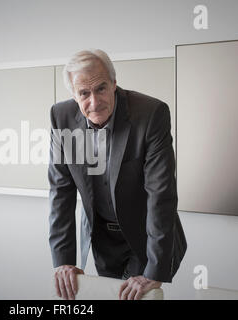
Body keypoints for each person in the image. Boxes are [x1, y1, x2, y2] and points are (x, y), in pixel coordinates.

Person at [48, 49, 187, 300]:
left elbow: (161, 194)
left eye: (100, 88)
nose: (94, 101)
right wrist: (63, 261)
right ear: (74, 94)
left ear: (114, 83)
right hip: (103, 240)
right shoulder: (61, 117)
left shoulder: (151, 113)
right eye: (84, 93)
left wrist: (154, 269)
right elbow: (60, 192)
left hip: (146, 236)